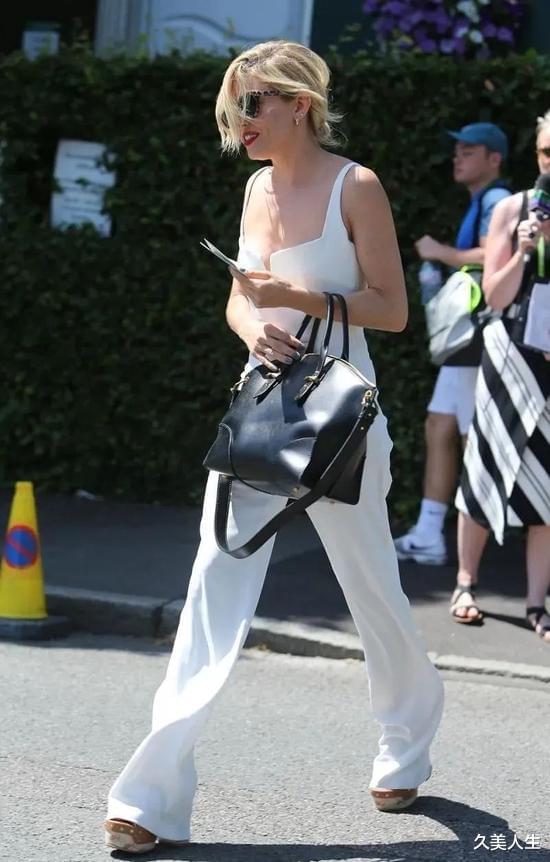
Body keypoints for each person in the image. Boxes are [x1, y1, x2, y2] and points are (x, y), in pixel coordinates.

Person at [103, 40, 444, 854]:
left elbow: (393, 310)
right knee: (212, 585)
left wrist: (295, 296)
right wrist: (253, 326)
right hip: (261, 411)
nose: (240, 121)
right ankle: (149, 797)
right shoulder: (256, 189)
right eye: (233, 106)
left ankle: (406, 740)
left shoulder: (356, 185)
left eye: (253, 103)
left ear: (300, 103)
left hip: (341, 417)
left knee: (373, 589)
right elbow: (239, 300)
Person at [450, 110, 550, 633]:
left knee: (547, 483)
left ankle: (537, 603)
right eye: (547, 152)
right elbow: (494, 294)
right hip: (509, 354)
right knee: (485, 464)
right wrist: (524, 249)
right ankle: (465, 582)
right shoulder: (513, 208)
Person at [394, 123, 511, 565]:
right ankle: (430, 533)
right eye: (456, 151)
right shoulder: (484, 200)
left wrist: (439, 252)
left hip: (476, 335)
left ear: (494, 159)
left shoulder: (497, 200)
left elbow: (494, 256)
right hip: (469, 336)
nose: (457, 158)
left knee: (467, 437)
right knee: (440, 426)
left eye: (468, 151)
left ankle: (471, 554)